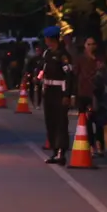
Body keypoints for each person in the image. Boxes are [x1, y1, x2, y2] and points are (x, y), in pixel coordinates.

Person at [38, 26, 74, 165]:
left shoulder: (63, 55)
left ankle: (61, 152)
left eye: (47, 38)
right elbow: (42, 68)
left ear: (51, 38)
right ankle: (54, 150)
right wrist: (39, 77)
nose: (46, 41)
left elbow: (69, 75)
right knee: (50, 121)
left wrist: (67, 95)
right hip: (48, 89)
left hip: (60, 90)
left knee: (60, 122)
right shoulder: (47, 53)